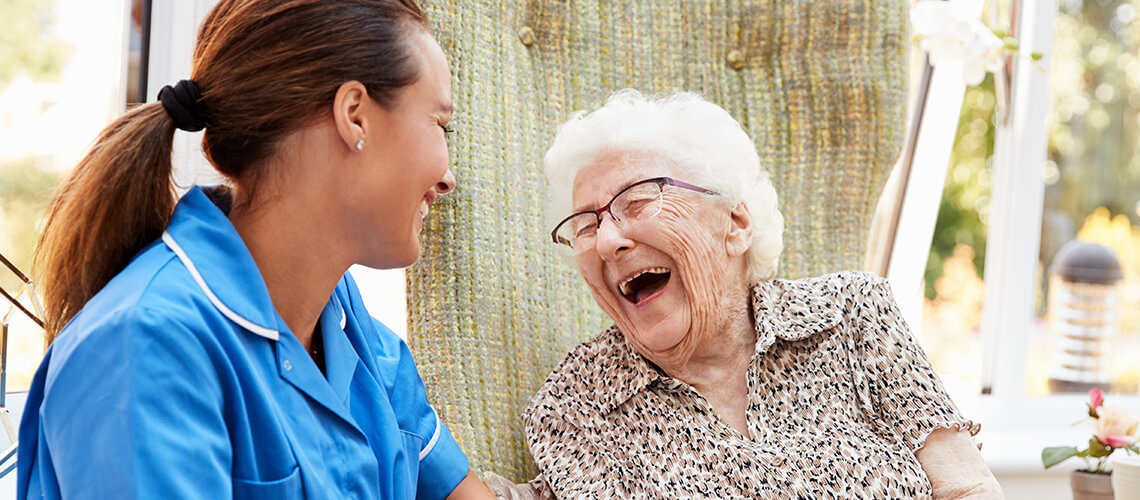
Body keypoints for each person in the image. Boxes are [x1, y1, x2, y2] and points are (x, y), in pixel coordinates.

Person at [17, 1, 497, 498]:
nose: (447, 178)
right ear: (355, 116)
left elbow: (455, 488)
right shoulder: (142, 348)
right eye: (441, 126)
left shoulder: (345, 324)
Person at [514, 90, 1003, 498]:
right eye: (585, 225)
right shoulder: (578, 403)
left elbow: (966, 489)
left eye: (638, 200)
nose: (605, 241)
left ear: (735, 224)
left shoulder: (853, 314)